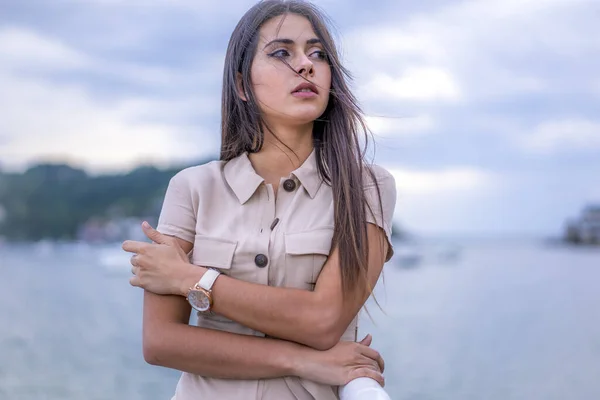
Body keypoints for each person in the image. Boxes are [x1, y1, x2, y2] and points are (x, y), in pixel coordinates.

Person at [122, 1, 397, 399]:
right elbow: (161, 342)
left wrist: (190, 278)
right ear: (241, 86)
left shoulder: (367, 188)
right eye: (282, 52)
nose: (305, 65)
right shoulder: (192, 188)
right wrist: (305, 360)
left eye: (317, 53)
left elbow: (323, 320)